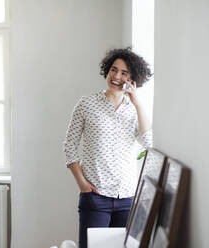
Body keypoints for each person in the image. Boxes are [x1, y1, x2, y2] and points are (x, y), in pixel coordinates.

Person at [63, 47, 153, 248]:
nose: (117, 76)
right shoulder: (86, 103)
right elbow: (69, 146)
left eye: (124, 73)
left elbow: (148, 142)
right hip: (95, 197)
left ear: (133, 78)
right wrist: (82, 183)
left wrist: (137, 103)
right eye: (114, 69)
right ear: (107, 70)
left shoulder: (134, 110)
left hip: (127, 198)